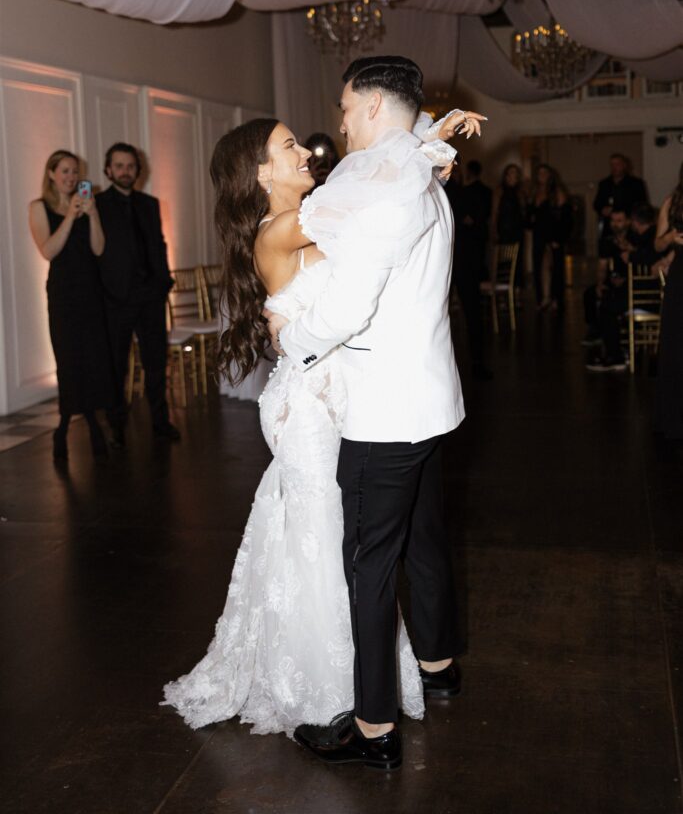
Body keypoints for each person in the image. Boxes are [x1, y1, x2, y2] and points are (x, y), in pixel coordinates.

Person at [163, 60, 484, 760]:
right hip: (315, 399)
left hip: (356, 394)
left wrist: (424, 141)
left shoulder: (342, 203)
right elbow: (383, 184)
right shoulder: (290, 227)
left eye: (335, 115)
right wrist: (426, 143)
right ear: (258, 174)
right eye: (287, 148)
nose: (313, 146)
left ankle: (368, 709)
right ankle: (358, 691)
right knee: (331, 540)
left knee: (355, 546)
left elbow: (382, 184)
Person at [267, 57, 481, 771]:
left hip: (384, 413)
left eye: (342, 106)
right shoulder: (416, 175)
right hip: (428, 401)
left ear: (367, 107)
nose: (337, 120)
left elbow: (352, 299)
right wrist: (434, 133)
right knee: (422, 542)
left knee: (368, 564)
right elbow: (416, 144)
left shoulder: (381, 184)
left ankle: (373, 729)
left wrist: (292, 341)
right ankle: (439, 666)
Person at [28, 150, 114, 460]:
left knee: (93, 358)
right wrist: (69, 216)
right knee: (68, 360)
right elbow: (49, 251)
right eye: (64, 171)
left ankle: (92, 423)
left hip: (91, 293)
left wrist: (91, 215)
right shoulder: (39, 207)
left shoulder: (88, 204)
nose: (71, 177)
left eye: (74, 172)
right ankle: (64, 425)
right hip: (64, 295)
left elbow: (98, 248)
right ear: (51, 173)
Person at [96, 143, 179, 444]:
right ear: (108, 170)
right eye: (119, 166)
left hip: (150, 296)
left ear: (137, 170)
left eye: (130, 166)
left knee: (156, 362)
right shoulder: (97, 204)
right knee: (116, 364)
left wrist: (163, 282)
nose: (125, 171)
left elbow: (158, 244)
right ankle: (116, 425)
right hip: (115, 299)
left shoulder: (150, 203)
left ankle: (160, 421)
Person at [585, 205, 659, 372]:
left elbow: (638, 259)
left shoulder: (646, 239)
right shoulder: (654, 237)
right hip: (654, 295)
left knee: (606, 307)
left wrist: (630, 254)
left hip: (643, 297)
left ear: (635, 222)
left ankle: (615, 356)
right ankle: (619, 349)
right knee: (604, 298)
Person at [445, 166, 492, 380]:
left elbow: (478, 228)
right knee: (468, 314)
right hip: (453, 263)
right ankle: (475, 363)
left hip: (460, 263)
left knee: (470, 313)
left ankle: (476, 362)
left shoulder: (461, 194)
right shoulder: (451, 193)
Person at [654, 163, 683, 446]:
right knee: (674, 346)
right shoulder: (672, 203)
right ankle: (672, 419)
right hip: (680, 279)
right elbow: (657, 245)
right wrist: (671, 238)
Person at [527, 163, 572, 312]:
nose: (542, 176)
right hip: (538, 234)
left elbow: (565, 217)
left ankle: (556, 299)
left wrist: (559, 238)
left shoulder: (557, 192)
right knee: (539, 266)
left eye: (545, 173)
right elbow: (530, 215)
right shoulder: (534, 192)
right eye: (540, 173)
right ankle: (543, 298)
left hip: (554, 234)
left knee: (556, 268)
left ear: (551, 175)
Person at [593, 153, 648, 242]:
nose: (614, 167)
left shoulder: (636, 184)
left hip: (630, 227)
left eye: (617, 164)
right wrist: (602, 209)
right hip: (609, 228)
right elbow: (596, 204)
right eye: (612, 165)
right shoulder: (604, 184)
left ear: (624, 165)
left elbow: (642, 205)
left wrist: (626, 215)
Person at [491, 162, 527, 287]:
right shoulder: (499, 190)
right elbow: (495, 212)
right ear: (506, 175)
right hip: (504, 229)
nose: (513, 176)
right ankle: (503, 288)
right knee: (504, 260)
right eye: (510, 173)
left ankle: (516, 290)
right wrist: (494, 230)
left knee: (518, 260)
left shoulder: (520, 192)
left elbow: (523, 211)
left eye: (515, 173)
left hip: (517, 230)